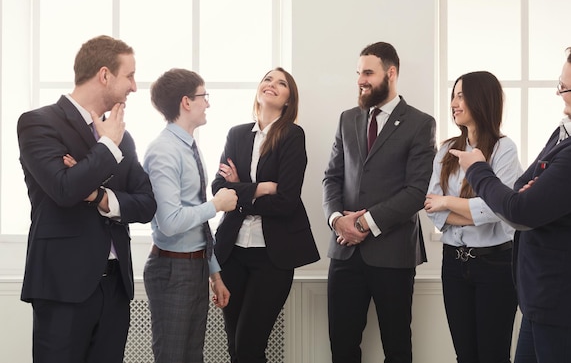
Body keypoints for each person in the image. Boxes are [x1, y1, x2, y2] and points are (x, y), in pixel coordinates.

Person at [450, 45, 571, 363]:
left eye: (565, 87)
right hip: (547, 299)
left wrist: (477, 168)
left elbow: (519, 211)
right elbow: (518, 190)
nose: (559, 93)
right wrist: (524, 196)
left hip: (569, 303)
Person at [17, 35, 157, 363]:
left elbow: (147, 203)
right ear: (105, 75)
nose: (135, 87)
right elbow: (64, 190)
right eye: (130, 76)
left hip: (116, 288)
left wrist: (98, 195)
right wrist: (106, 148)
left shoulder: (123, 135)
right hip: (63, 286)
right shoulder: (38, 123)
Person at [322, 41, 437, 363]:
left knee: (397, 347)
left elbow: (416, 191)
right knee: (342, 346)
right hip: (344, 252)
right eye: (358, 73)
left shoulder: (420, 123)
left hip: (394, 253)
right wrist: (336, 219)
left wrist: (363, 223)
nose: (361, 80)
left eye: (368, 73)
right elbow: (331, 177)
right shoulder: (347, 119)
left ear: (391, 73)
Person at [211, 67, 320, 363]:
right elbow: (219, 188)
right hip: (231, 253)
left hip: (272, 257)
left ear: (288, 100)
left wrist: (240, 191)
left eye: (281, 83)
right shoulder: (237, 134)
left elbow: (286, 201)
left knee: (249, 347)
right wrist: (259, 188)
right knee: (236, 347)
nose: (272, 84)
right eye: (268, 79)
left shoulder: (292, 135)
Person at [424, 71, 522, 363]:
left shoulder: (504, 149)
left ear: (481, 99)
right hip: (453, 262)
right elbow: (431, 206)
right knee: (465, 356)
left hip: (496, 265)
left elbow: (498, 208)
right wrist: (464, 209)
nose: (454, 102)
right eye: (453, 95)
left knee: (493, 355)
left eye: (461, 95)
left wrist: (448, 203)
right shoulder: (445, 150)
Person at [142, 68, 238, 363]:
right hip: (172, 271)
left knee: (192, 357)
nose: (207, 103)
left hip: (194, 268)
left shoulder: (189, 146)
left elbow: (196, 224)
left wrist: (214, 273)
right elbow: (170, 223)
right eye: (203, 96)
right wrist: (217, 204)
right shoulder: (164, 151)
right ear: (186, 102)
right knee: (172, 357)